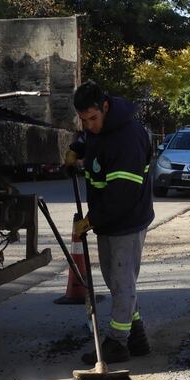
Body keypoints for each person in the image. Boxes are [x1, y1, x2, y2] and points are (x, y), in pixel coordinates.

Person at [65, 80, 154, 364]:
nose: (89, 125)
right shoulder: (100, 129)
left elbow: (122, 195)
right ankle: (136, 335)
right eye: (83, 120)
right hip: (109, 219)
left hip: (127, 220)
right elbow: (92, 141)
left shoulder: (127, 138)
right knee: (116, 280)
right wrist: (77, 148)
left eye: (93, 118)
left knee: (121, 281)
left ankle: (117, 342)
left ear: (105, 106)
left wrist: (91, 220)